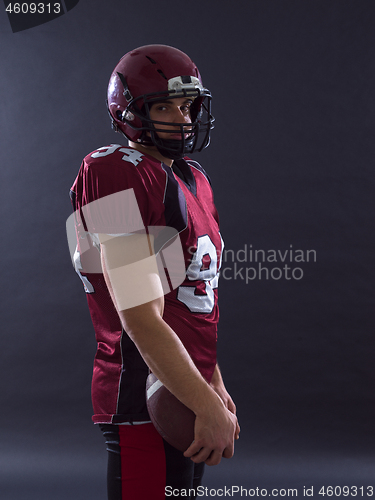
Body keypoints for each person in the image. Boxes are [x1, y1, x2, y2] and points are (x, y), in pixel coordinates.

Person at [69, 44, 240, 500]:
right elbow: (141, 316)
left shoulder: (191, 177)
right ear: (129, 110)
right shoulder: (114, 173)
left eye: (186, 106)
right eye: (164, 106)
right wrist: (204, 401)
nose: (182, 120)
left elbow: (190, 300)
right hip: (138, 396)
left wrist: (213, 383)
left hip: (184, 382)